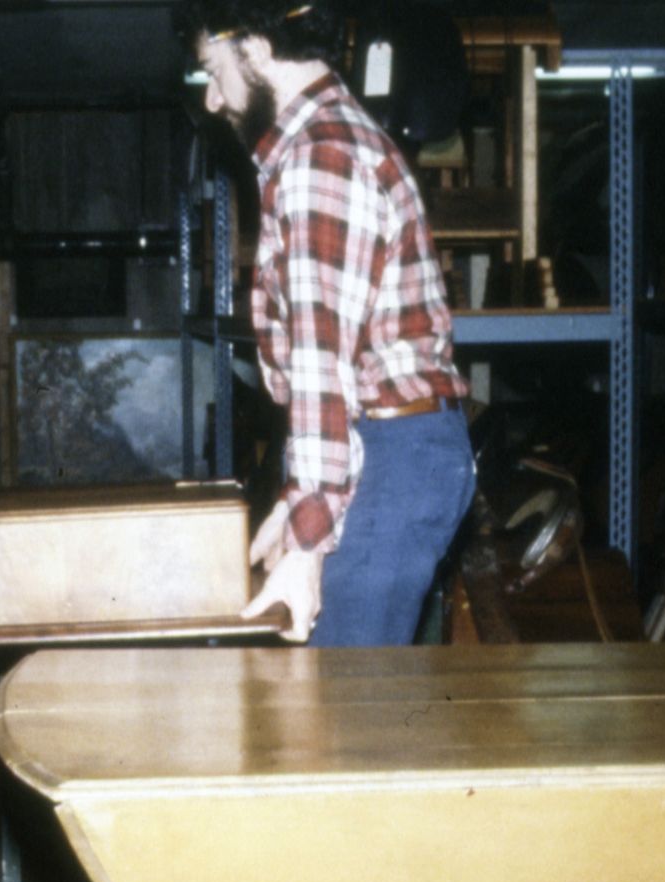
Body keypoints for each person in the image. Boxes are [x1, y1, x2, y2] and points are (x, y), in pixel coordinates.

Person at [187, 0, 475, 646]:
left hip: (388, 455)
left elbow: (322, 361)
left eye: (213, 70)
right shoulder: (327, 141)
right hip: (385, 451)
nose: (211, 98)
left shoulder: (321, 156)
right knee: (341, 710)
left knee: (343, 721)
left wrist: (311, 536)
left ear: (256, 49)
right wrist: (298, 502)